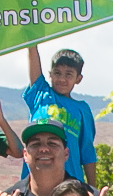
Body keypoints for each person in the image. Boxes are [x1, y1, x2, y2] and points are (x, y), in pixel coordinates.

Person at [20, 43, 100, 181]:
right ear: (50, 75)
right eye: (57, 73)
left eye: (68, 74)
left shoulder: (82, 109)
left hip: (70, 184)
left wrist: (93, 190)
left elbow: (87, 151)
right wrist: (31, 42)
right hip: (36, 183)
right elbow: (32, 51)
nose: (62, 79)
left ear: (78, 79)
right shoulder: (41, 95)